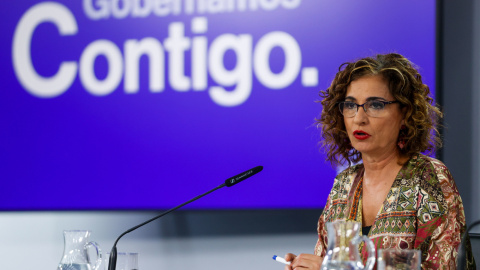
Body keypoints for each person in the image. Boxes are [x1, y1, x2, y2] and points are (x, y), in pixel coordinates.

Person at [284, 53, 475, 269]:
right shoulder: (343, 187)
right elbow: (331, 263)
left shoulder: (429, 178)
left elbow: (442, 266)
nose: (359, 118)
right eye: (350, 105)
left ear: (405, 113)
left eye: (375, 105)